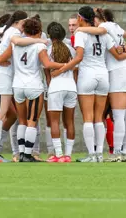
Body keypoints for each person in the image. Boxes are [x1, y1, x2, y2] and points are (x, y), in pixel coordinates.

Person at [51, 6, 126, 162]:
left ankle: (92, 155)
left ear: (81, 18)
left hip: (87, 75)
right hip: (103, 76)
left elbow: (79, 57)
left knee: (88, 117)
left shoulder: (81, 33)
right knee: (99, 118)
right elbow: (117, 53)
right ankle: (100, 154)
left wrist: (62, 70)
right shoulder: (104, 34)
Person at [0, 18, 64, 162]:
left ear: (24, 30)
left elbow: (1, 58)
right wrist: (67, 64)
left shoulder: (15, 44)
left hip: (17, 85)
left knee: (22, 121)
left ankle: (22, 152)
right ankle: (28, 154)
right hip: (34, 86)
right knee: (32, 121)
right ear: (39, 30)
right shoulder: (39, 46)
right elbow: (47, 64)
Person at [75, 8, 126, 162]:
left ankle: (103, 153)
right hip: (113, 72)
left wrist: (79, 29)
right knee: (120, 116)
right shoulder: (113, 29)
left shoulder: (102, 29)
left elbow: (81, 54)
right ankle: (121, 152)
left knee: (98, 117)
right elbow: (122, 44)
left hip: (107, 72)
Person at [0, 11, 30, 162]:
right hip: (2, 78)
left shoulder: (0, 31)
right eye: (23, 23)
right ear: (18, 22)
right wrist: (38, 41)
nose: (24, 27)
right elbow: (17, 42)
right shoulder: (14, 32)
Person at [45, 23, 77, 163]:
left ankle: (58, 154)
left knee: (54, 122)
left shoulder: (48, 50)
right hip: (71, 87)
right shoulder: (71, 49)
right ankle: (68, 155)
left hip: (56, 88)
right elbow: (76, 70)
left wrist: (50, 85)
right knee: (69, 122)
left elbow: (47, 73)